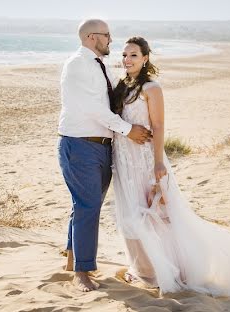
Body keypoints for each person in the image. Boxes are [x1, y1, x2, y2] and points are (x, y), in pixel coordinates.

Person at [111, 36, 230, 295]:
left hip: (145, 160)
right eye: (124, 55)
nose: (127, 59)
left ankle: (169, 271)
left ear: (146, 58)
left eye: (133, 55)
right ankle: (143, 269)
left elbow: (158, 126)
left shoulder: (151, 88)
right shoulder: (122, 86)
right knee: (131, 214)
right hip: (124, 159)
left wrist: (159, 163)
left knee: (155, 215)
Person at [57, 19, 153, 292]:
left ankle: (72, 258)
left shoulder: (101, 66)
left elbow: (120, 92)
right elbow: (93, 109)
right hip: (79, 145)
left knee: (85, 205)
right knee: (88, 206)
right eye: (106, 35)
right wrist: (128, 130)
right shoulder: (77, 64)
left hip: (102, 147)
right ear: (91, 37)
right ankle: (82, 272)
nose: (111, 40)